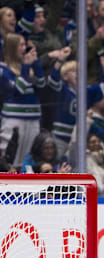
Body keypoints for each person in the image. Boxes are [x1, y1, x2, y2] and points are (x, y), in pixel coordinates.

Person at [0, 33, 47, 168]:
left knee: (29, 160)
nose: (25, 48)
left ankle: (26, 188)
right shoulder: (3, 69)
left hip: (33, 119)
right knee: (9, 159)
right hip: (14, 119)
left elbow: (42, 85)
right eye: (21, 45)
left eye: (25, 45)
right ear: (12, 47)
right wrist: (26, 67)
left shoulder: (28, 67)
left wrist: (36, 63)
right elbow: (18, 90)